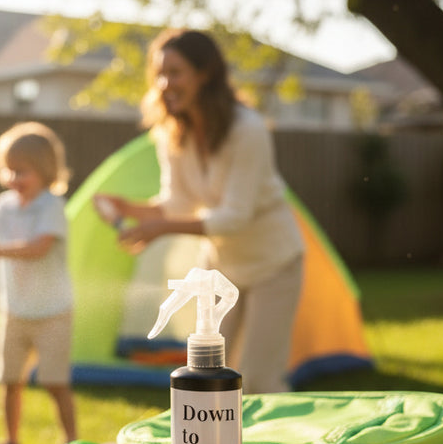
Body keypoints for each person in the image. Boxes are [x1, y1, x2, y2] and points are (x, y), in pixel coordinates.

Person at [99, 28, 304, 393]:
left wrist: (160, 229)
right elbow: (176, 203)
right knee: (209, 372)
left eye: (174, 72)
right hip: (222, 267)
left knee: (257, 380)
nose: (164, 83)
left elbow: (234, 217)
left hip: (274, 264)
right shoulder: (171, 132)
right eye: (159, 74)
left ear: (204, 74)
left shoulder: (248, 130)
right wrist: (128, 208)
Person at [0, 122, 77, 444]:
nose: (12, 179)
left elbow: (39, 248)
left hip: (53, 312)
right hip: (14, 311)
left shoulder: (52, 206)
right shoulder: (4, 204)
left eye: (21, 171)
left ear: (45, 171)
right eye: (7, 171)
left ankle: (71, 440)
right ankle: (10, 440)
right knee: (8, 380)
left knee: (55, 382)